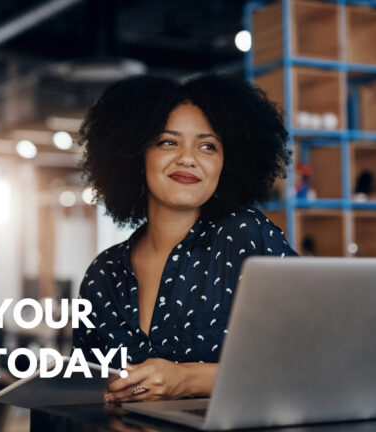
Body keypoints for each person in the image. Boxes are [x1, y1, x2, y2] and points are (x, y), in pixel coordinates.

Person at [73, 74, 298, 403]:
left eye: (208, 146)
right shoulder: (103, 274)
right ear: (136, 154)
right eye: (168, 142)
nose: (188, 158)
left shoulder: (245, 237)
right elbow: (83, 385)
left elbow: (306, 360)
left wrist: (189, 378)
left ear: (226, 163)